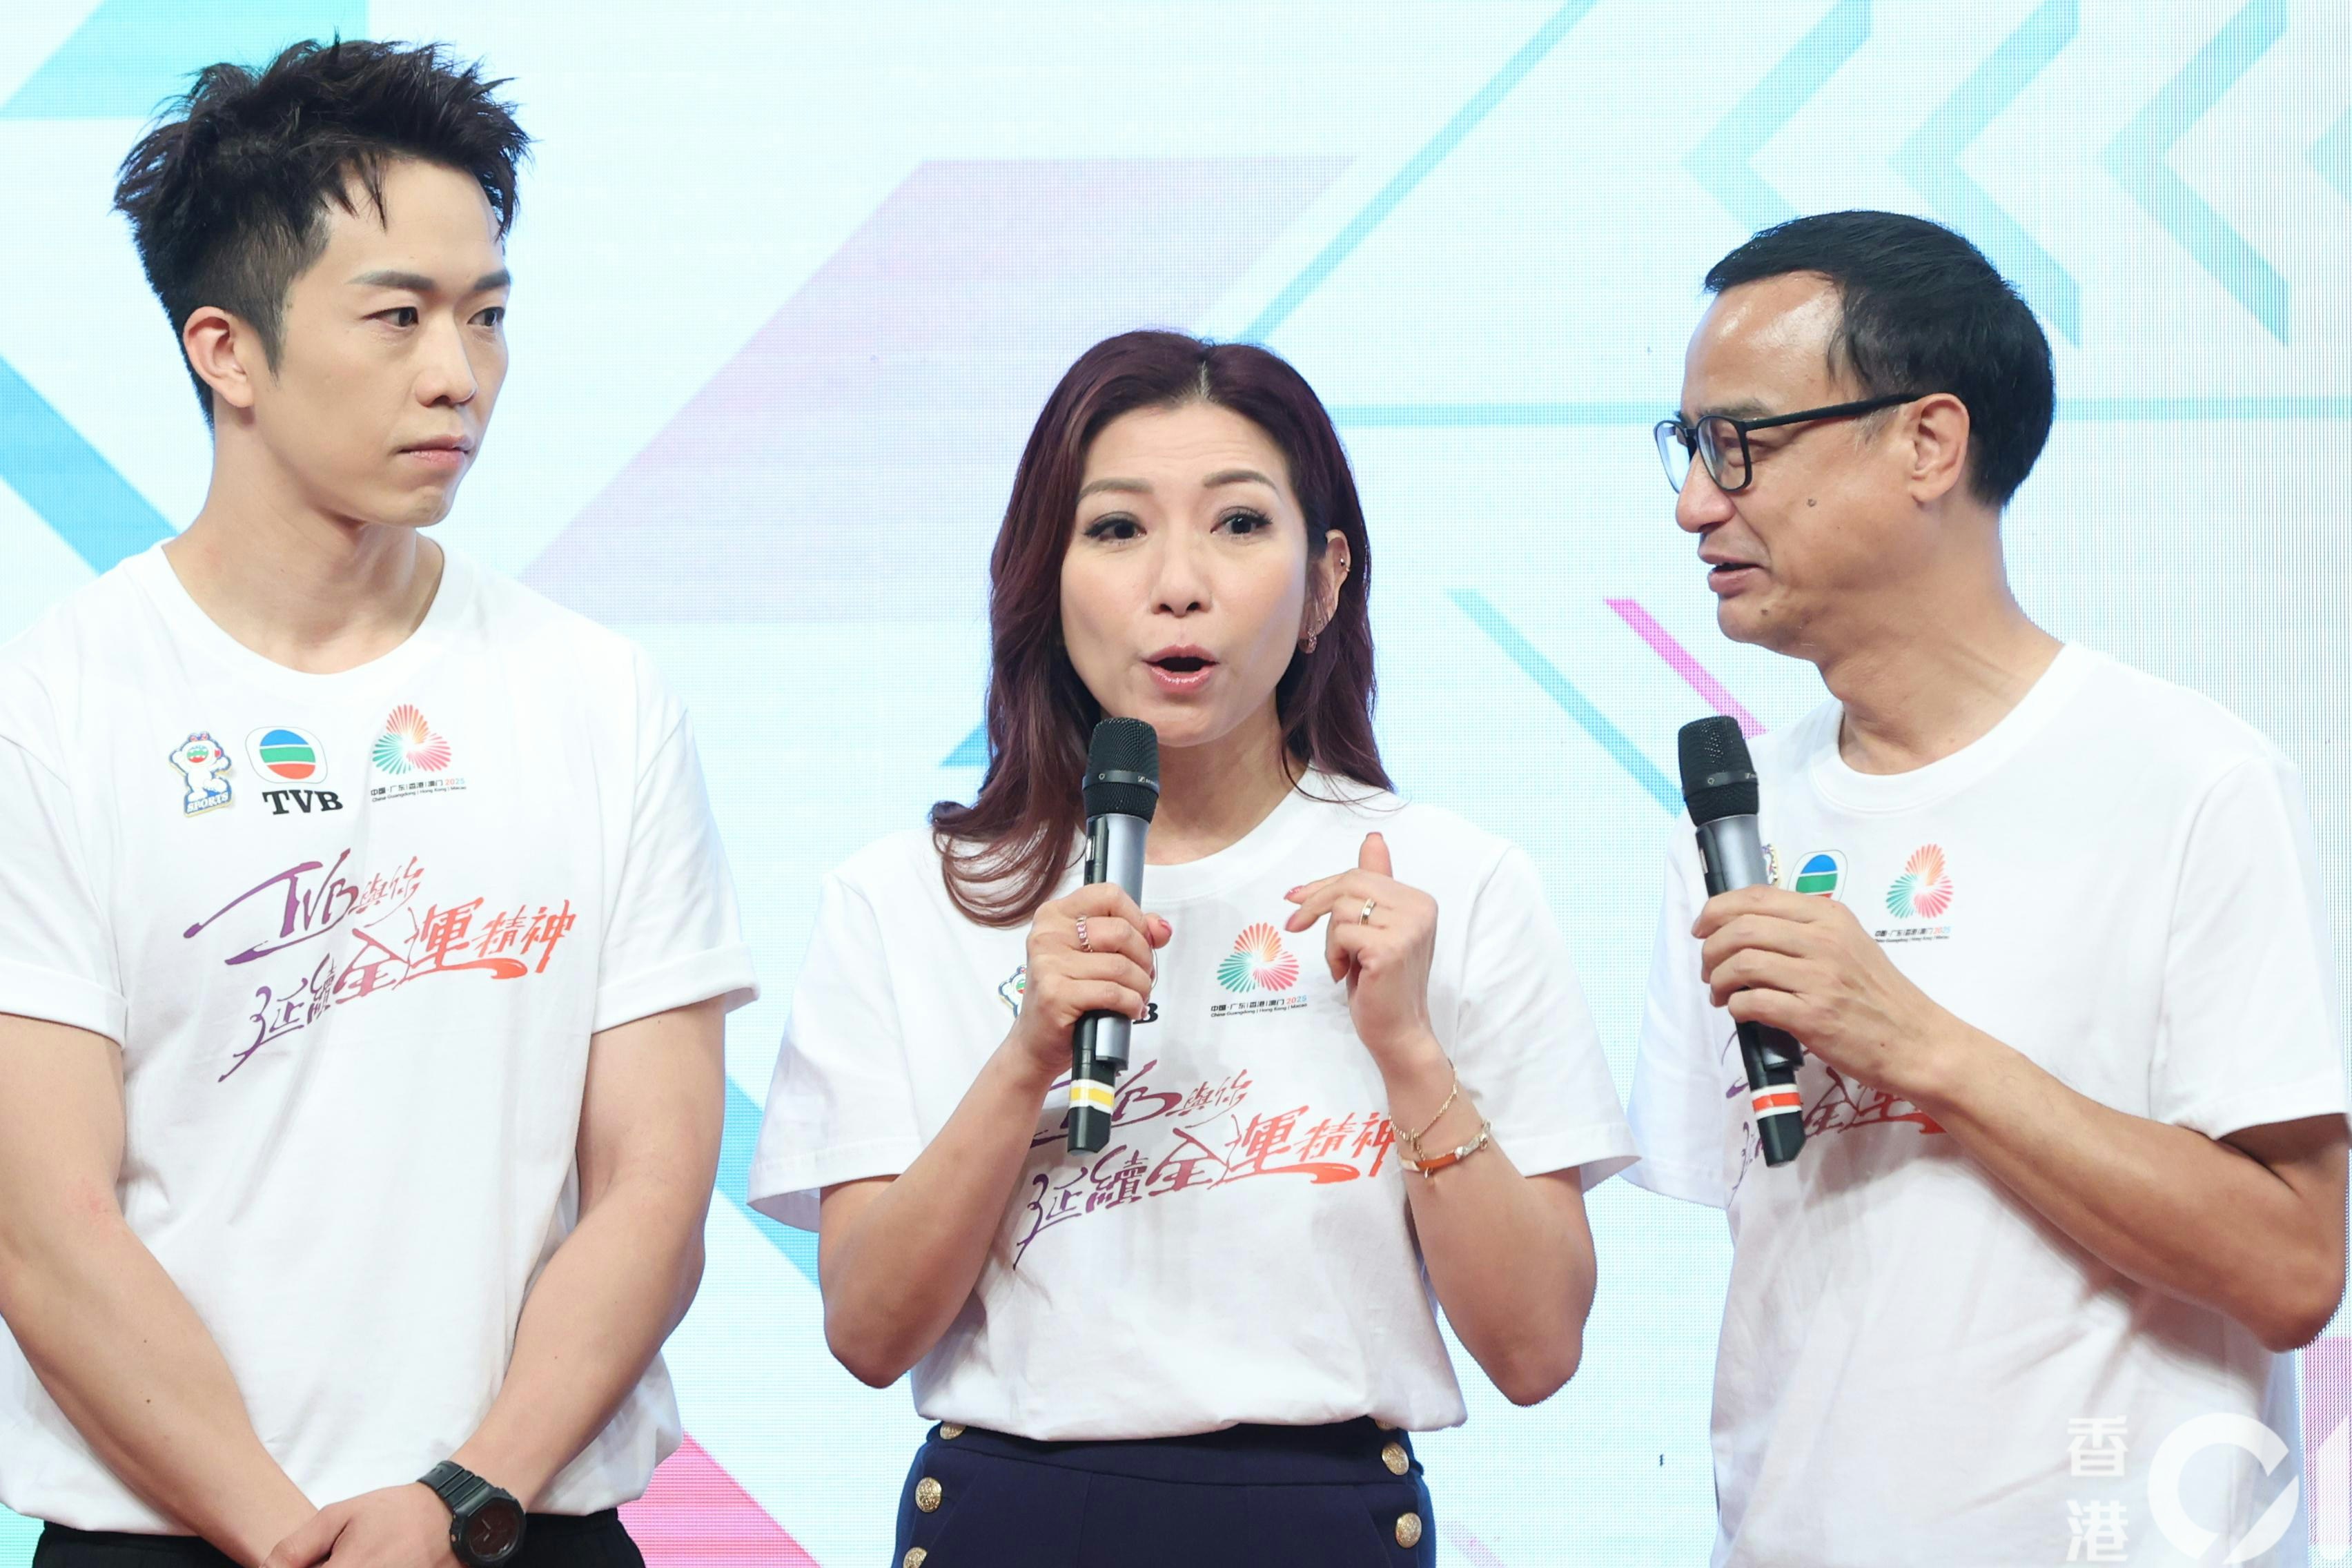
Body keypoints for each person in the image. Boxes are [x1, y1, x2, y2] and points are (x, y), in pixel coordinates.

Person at [0, 40, 756, 1568]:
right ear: (226, 350)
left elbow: (656, 1188)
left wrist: (463, 1496)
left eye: (487, 316)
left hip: (518, 1523)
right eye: (399, 316)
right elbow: (43, 1225)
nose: (458, 373)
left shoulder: (600, 697)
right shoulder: (55, 708)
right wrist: (292, 1537)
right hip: (177, 1534)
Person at [749, 329, 1636, 1567]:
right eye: (1118, 529)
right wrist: (1026, 1057)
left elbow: (1538, 1352)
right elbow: (868, 1332)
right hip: (1014, 1522)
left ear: (1325, 581)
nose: (1179, 583)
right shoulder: (906, 897)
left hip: (1325, 1525)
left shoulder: (1456, 882)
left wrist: (1409, 1052)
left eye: (1239, 525)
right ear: (1044, 577)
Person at [1630, 210, 2346, 1565]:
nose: (1696, 504)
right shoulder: (1732, 822)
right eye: (1689, 446)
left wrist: (1919, 1044)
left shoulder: (2190, 778)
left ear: (1928, 442)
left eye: (1743, 444)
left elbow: (2294, 1267)